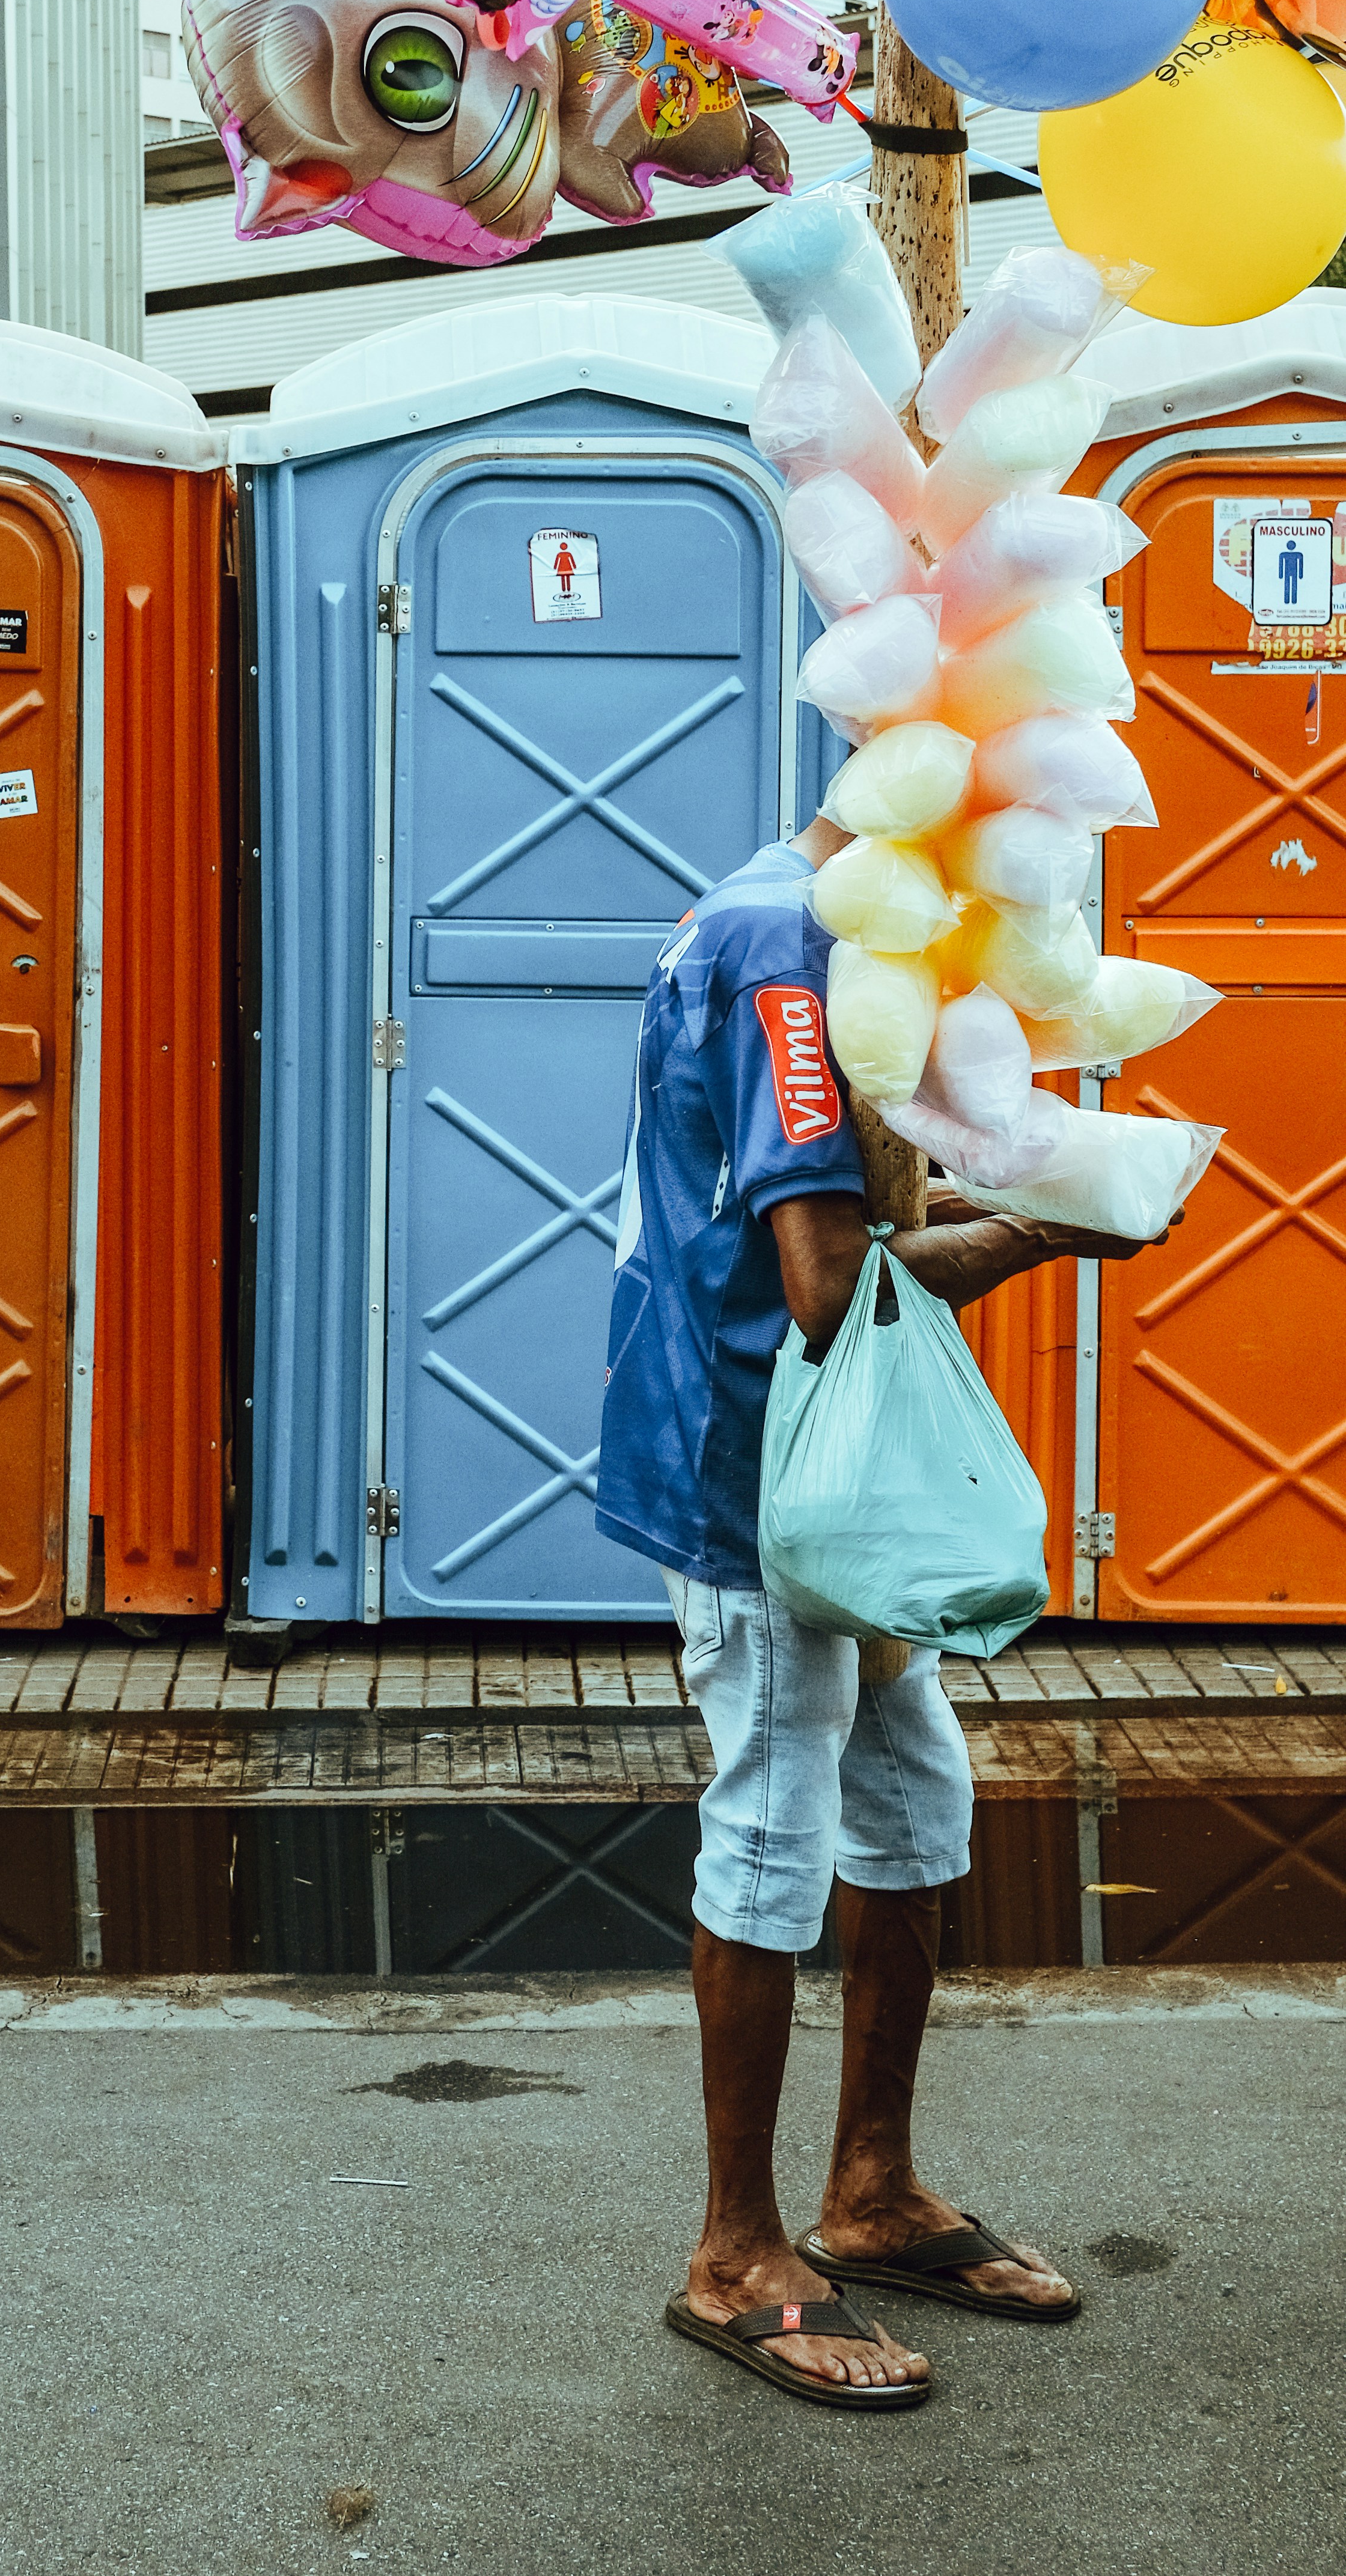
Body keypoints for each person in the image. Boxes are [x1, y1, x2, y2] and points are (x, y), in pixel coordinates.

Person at [595, 809, 1165, 2411]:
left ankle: (871, 2192)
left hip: (837, 1462)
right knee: (773, 1824)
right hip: (755, 1463)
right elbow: (830, 1280)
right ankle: (731, 2254)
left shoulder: (829, 919)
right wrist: (1058, 1225)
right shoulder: (793, 946)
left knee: (914, 1809)